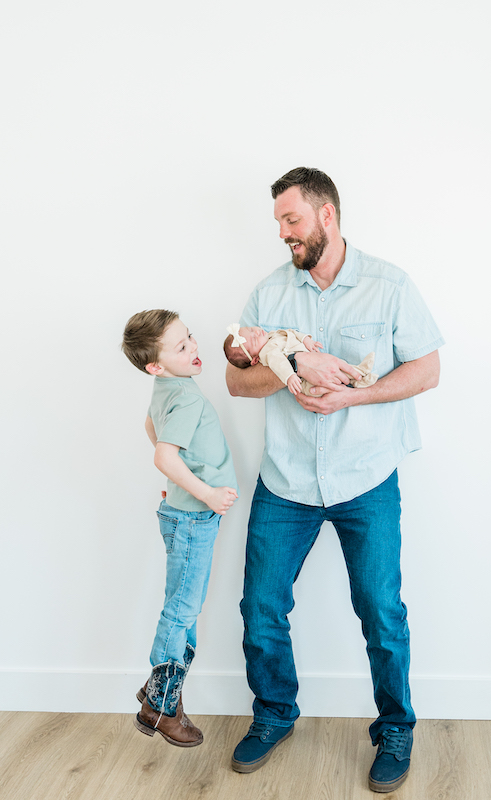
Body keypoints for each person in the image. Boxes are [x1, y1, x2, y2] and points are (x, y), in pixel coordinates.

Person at [225, 168, 444, 792]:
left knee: (381, 610)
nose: (283, 233)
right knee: (261, 607)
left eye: (291, 219)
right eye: (279, 222)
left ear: (327, 216)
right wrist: (293, 362)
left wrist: (352, 396)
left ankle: (395, 727)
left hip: (365, 478)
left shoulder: (389, 284)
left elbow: (427, 370)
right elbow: (236, 379)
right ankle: (274, 714)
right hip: (286, 481)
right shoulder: (268, 294)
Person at [122, 309, 238, 747]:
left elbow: (150, 426)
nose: (194, 348)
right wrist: (205, 493)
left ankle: (161, 691)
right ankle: (160, 705)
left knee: (184, 608)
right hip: (193, 518)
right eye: (181, 346)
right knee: (181, 612)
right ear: (156, 365)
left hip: (183, 513)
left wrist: (180, 482)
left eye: (190, 338)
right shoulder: (186, 396)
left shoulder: (168, 388)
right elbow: (164, 456)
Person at [223, 324, 377, 396]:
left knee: (337, 368)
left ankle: (358, 379)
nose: (257, 333)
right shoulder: (268, 351)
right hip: (305, 381)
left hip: (318, 363)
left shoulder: (272, 336)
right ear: (255, 359)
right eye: (254, 340)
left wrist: (306, 340)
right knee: (328, 385)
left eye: (251, 329)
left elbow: (291, 332)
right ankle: (360, 375)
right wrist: (290, 375)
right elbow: (279, 364)